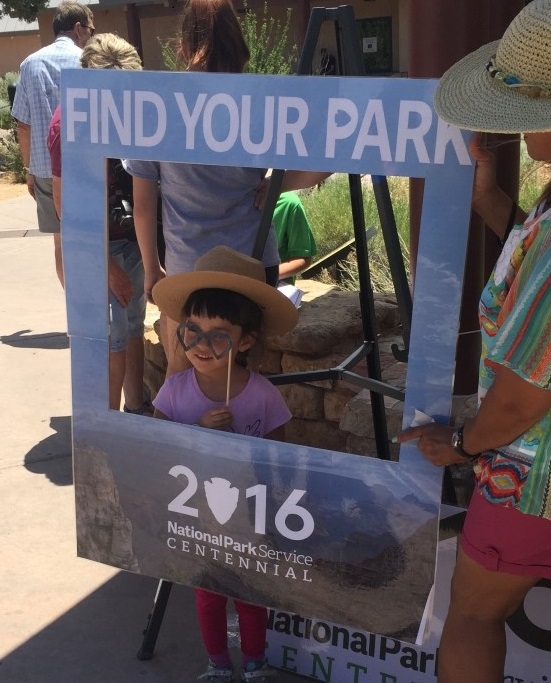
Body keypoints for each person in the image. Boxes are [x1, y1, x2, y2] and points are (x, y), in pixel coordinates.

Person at [396, 2, 551, 682]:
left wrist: (459, 444)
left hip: (533, 481)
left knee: (471, 615)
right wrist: (491, 203)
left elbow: (520, 402)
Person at [151, 245, 298, 683]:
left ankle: (255, 662)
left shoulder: (263, 395)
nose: (201, 344)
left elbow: (281, 459)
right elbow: (156, 446)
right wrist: (198, 430)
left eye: (219, 334)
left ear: (246, 339)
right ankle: (217, 664)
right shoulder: (175, 392)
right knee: (209, 596)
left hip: (250, 521)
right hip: (198, 520)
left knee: (252, 595)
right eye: (192, 330)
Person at [126, 0, 280, 380]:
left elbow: (143, 206)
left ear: (183, 42)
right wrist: (279, 182)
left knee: (183, 375)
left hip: (187, 268)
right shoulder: (260, 99)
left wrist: (151, 270)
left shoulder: (155, 104)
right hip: (253, 258)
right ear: (237, 37)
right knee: (243, 376)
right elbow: (322, 162)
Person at [47, 33, 150, 415]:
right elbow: (65, 206)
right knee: (111, 336)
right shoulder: (66, 124)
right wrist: (107, 269)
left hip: (133, 237)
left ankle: (136, 410)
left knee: (136, 325)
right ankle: (107, 430)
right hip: (97, 247)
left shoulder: (137, 111)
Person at [11, 1, 94, 286]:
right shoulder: (89, 61)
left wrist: (28, 169)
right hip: (89, 167)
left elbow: (23, 124)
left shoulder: (29, 64)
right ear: (78, 28)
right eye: (90, 30)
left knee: (61, 244)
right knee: (97, 240)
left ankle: (76, 311)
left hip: (46, 169)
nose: (91, 36)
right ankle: (103, 313)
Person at [272, 191, 317, 285]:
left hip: (276, 288)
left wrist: (266, 275)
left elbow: (303, 259)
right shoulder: (234, 200)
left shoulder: (289, 203)